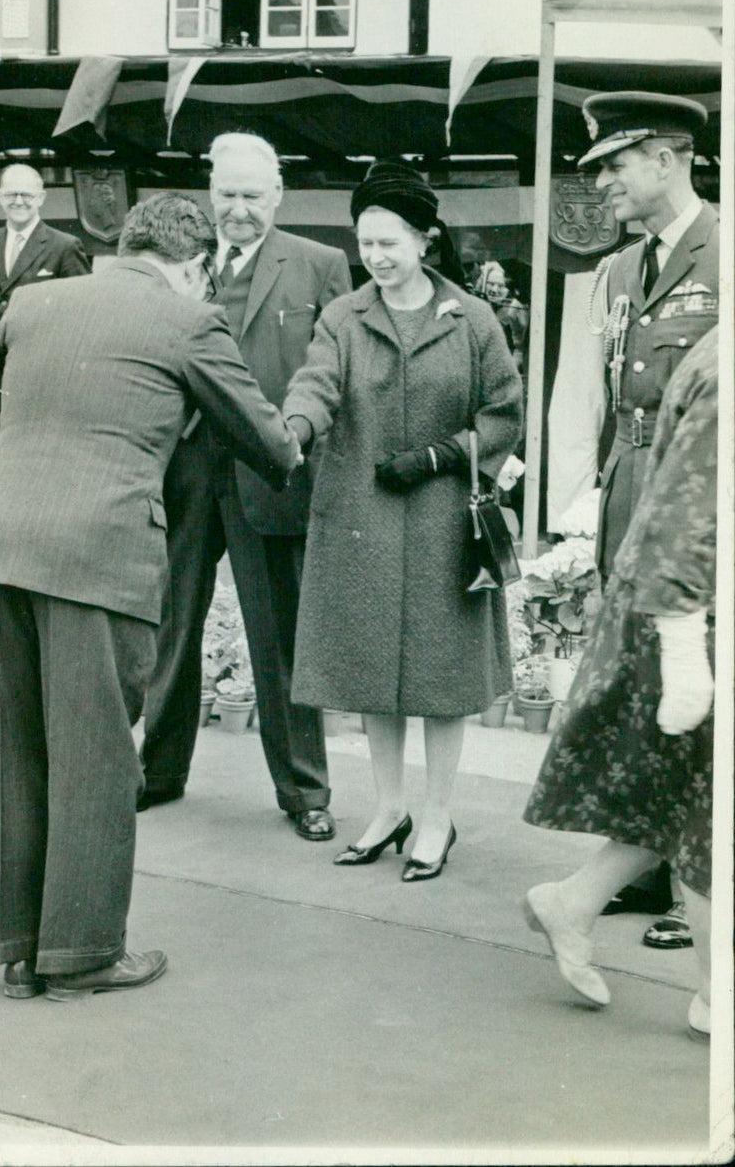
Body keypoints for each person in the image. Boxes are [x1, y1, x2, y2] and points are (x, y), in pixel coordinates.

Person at [0, 193, 300, 1001]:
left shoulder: (35, 302)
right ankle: (80, 955)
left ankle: (16, 949)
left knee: (10, 751)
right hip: (100, 557)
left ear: (125, 243)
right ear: (194, 266)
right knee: (95, 757)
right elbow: (270, 443)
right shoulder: (188, 322)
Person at [283, 161, 523, 879]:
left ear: (427, 239)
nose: (377, 258)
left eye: (390, 242)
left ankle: (438, 817)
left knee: (440, 682)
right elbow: (316, 384)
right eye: (367, 243)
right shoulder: (344, 317)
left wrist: (442, 454)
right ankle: (388, 808)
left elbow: (504, 414)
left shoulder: (473, 319)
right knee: (370, 674)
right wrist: (293, 429)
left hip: (446, 520)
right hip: (362, 516)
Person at [140, 133, 352, 840]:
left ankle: (305, 791)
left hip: (271, 475)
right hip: (184, 468)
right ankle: (159, 771)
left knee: (280, 636)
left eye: (251, 196)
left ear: (278, 195)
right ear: (210, 192)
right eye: (226, 194)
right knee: (171, 626)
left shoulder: (322, 265)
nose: (237, 210)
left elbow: (333, 372)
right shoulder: (176, 265)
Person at [522, 325, 718, 1040]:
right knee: (709, 804)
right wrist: (685, 648)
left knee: (684, 792)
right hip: (690, 609)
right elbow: (688, 513)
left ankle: (571, 904)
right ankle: (714, 994)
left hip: (687, 604)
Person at [580, 91, 719, 942]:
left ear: (667, 159)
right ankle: (647, 861)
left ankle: (691, 891)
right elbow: (616, 391)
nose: (602, 186)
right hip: (634, 481)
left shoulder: (725, 248)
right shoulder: (626, 265)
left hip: (700, 497)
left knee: (695, 681)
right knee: (644, 684)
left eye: (616, 165)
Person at [0, 164, 91, 370]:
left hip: (37, 363)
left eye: (27, 195)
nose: (19, 201)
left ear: (41, 197)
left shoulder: (64, 246)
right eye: (11, 194)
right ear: (0, 197)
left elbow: (81, 314)